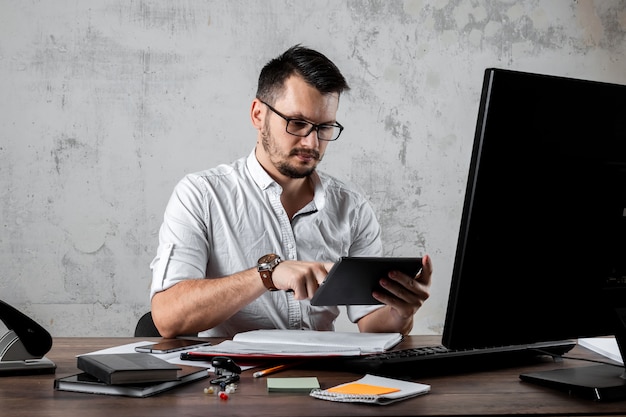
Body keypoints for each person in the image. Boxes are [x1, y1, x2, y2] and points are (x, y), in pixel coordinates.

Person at [150, 45, 432, 338]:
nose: (311, 143)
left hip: (326, 377)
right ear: (258, 114)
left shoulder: (353, 208)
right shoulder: (201, 195)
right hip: (235, 377)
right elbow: (168, 317)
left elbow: (371, 322)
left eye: (324, 128)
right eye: (297, 123)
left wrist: (401, 313)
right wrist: (267, 276)